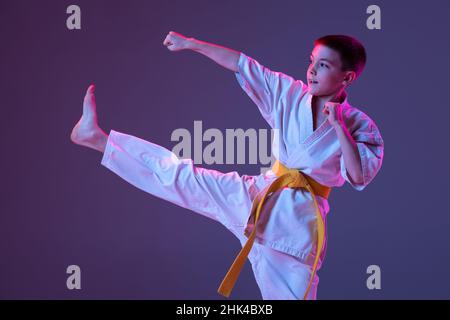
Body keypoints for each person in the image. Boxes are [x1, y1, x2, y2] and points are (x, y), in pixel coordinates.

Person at [70, 31, 384, 300]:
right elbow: (241, 64)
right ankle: (97, 139)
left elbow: (358, 176)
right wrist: (191, 43)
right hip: (255, 199)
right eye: (312, 61)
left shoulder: (361, 126)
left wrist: (339, 126)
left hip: (295, 232)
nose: (312, 70)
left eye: (324, 65)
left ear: (347, 77)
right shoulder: (289, 93)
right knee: (182, 176)